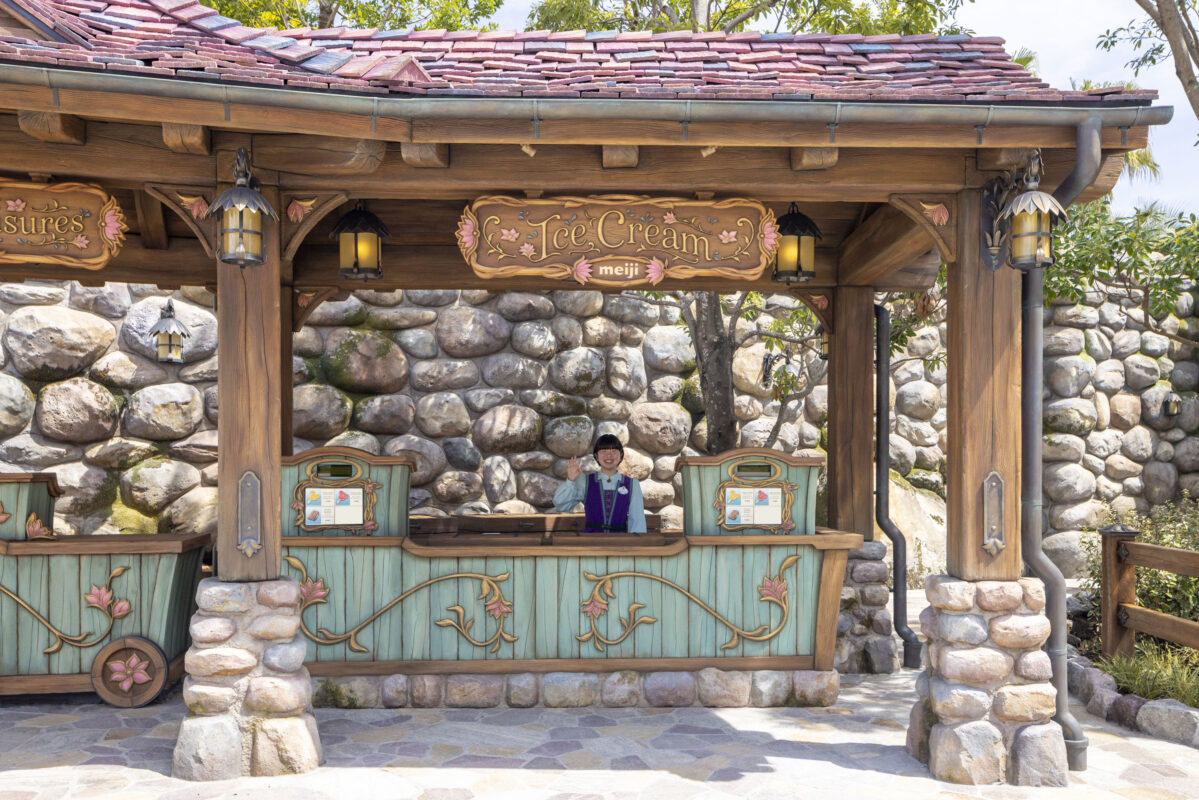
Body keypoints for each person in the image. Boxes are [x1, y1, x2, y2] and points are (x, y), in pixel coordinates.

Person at [553, 433, 646, 534]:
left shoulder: (632, 484)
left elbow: (637, 519)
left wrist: (637, 544)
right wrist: (570, 481)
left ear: (621, 455)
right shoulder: (585, 481)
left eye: (614, 451)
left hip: (619, 543)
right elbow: (560, 505)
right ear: (596, 456)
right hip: (591, 541)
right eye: (604, 451)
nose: (609, 455)